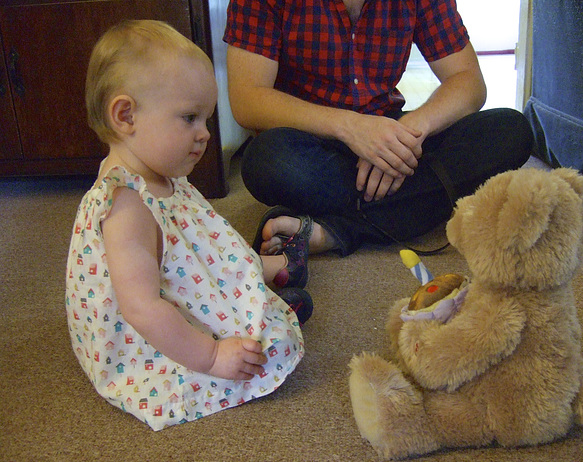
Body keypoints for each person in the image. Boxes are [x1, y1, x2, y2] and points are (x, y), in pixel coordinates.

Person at [65, 20, 310, 431]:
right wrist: (212, 357)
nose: (205, 135)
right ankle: (267, 297)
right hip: (154, 340)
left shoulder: (160, 173)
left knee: (254, 307)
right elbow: (142, 308)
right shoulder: (126, 205)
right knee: (267, 349)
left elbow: (199, 247)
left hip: (179, 287)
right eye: (190, 118)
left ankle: (268, 275)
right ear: (126, 115)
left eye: (207, 120)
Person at [223, 0, 534, 257]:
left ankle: (337, 231)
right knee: (267, 161)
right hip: (310, 141)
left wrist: (409, 134)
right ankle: (408, 206)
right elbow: (247, 99)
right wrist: (351, 128)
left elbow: (468, 81)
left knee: (512, 130)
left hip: (390, 128)